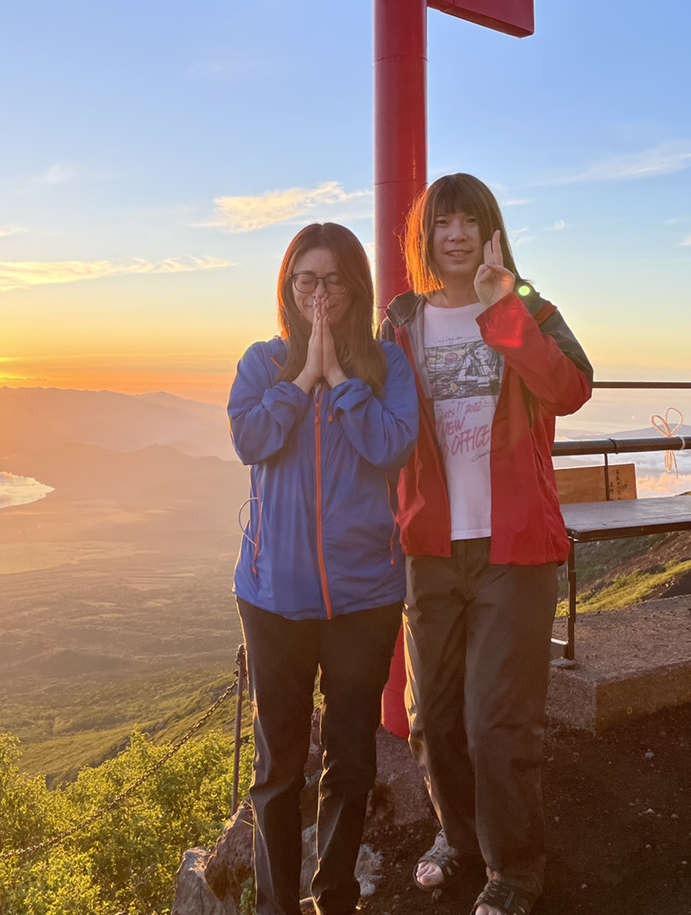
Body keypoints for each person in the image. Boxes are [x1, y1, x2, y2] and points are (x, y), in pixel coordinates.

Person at [383, 174, 593, 915]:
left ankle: (514, 871)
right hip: (431, 546)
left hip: (514, 546)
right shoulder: (402, 322)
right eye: (443, 223)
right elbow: (379, 425)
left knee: (496, 723)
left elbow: (570, 390)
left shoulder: (531, 308)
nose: (457, 235)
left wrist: (504, 309)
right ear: (426, 237)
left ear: (492, 232)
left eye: (470, 221)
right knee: (433, 718)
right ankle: (459, 838)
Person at [228, 222, 418, 915]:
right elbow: (250, 439)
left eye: (333, 280)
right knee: (278, 768)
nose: (318, 294)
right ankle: (276, 906)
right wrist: (303, 375)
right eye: (305, 279)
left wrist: (338, 378)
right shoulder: (262, 362)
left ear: (355, 287)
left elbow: (393, 447)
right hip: (272, 595)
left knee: (351, 758)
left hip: (363, 596)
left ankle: (335, 897)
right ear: (287, 286)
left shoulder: (386, 365)